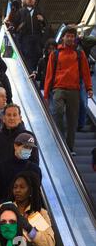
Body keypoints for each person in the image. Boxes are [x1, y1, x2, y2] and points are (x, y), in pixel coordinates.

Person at [44, 26, 93, 154]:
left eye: (72, 36)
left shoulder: (79, 53)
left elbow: (86, 72)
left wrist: (89, 88)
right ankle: (61, 143)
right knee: (57, 112)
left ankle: (69, 148)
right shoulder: (55, 54)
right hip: (58, 88)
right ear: (63, 37)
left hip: (74, 90)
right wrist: (45, 93)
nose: (70, 38)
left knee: (72, 120)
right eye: (68, 36)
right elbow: (49, 74)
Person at [0, 171, 55, 246]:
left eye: (22, 187)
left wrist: (29, 228)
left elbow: (49, 245)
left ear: (30, 191)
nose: (17, 190)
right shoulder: (4, 208)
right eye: (15, 187)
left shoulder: (39, 213)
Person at [0, 133, 42, 206]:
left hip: (27, 211)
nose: (28, 150)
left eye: (30, 148)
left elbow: (36, 194)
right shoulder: (1, 167)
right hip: (5, 210)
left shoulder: (35, 169)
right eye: (25, 147)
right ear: (15, 146)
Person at [13, 0, 46, 73]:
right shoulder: (21, 11)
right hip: (25, 38)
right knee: (26, 56)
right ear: (25, 0)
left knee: (37, 56)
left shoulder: (38, 11)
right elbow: (15, 25)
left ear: (34, 0)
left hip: (37, 38)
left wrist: (42, 20)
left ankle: (35, 73)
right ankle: (28, 73)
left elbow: (45, 25)